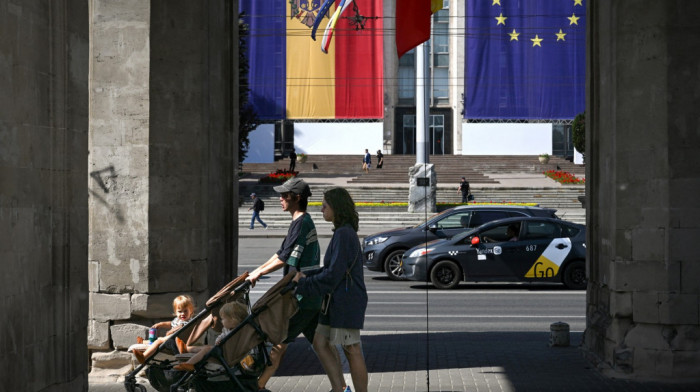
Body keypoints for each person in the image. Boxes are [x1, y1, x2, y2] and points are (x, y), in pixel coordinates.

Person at [246, 178, 322, 392]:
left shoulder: (302, 223)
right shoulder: (300, 221)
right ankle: (340, 386)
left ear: (296, 198)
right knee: (322, 345)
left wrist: (258, 274)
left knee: (279, 343)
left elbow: (284, 258)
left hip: (300, 298)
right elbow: (280, 254)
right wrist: (256, 271)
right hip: (308, 297)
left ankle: (258, 386)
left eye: (284, 195)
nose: (280, 198)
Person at [294, 187, 368, 392]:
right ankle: (339, 388)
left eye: (324, 206)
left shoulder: (344, 234)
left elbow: (333, 274)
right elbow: (330, 269)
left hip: (345, 301)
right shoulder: (342, 232)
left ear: (336, 207)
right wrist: (308, 276)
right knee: (320, 342)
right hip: (335, 301)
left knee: (352, 349)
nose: (321, 210)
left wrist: (303, 284)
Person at [173, 300, 249, 371]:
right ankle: (187, 349)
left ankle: (189, 364)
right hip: (225, 351)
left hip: (228, 355)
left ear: (233, 320)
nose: (221, 321)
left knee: (206, 350)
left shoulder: (238, 332)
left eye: (223, 319)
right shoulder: (228, 329)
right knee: (206, 347)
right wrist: (218, 340)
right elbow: (222, 337)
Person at [133, 295, 195, 364]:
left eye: (185, 311)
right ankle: (144, 342)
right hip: (172, 338)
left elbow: (180, 328)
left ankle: (144, 356)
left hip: (177, 341)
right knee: (158, 339)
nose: (183, 314)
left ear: (191, 310)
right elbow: (170, 324)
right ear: (175, 312)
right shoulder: (178, 320)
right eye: (180, 311)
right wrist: (161, 324)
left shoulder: (189, 321)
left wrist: (170, 332)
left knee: (158, 341)